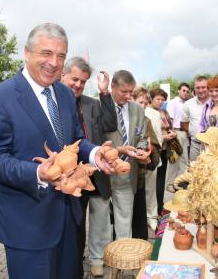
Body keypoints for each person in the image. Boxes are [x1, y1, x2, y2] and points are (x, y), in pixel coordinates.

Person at [0, 23, 114, 279]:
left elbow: (74, 140)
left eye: (61, 56)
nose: (54, 62)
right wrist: (38, 172)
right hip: (27, 224)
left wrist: (96, 153)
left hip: (67, 218)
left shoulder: (64, 94)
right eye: (46, 53)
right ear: (26, 52)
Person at [61, 57, 116, 277]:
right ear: (62, 76)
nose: (78, 85)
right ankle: (74, 264)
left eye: (82, 82)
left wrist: (104, 93)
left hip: (94, 172)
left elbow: (110, 124)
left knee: (98, 220)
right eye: (74, 79)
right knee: (74, 223)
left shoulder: (92, 103)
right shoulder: (54, 103)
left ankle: (94, 261)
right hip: (69, 176)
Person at [103, 70, 150, 239]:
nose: (129, 96)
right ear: (112, 87)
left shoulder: (137, 110)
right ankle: (99, 259)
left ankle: (123, 259)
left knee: (124, 221)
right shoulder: (100, 107)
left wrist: (142, 151)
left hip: (127, 173)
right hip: (104, 172)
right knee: (101, 223)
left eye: (131, 92)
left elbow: (142, 137)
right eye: (124, 92)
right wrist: (116, 151)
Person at [132, 87, 161, 236]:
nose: (143, 106)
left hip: (140, 172)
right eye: (140, 102)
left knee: (139, 207)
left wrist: (150, 154)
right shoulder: (121, 117)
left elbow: (154, 143)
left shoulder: (146, 119)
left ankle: (140, 245)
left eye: (145, 102)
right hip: (123, 172)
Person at [165, 82, 190, 193]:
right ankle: (170, 184)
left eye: (187, 91)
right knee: (174, 160)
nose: (185, 93)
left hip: (185, 133)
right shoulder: (173, 102)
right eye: (183, 90)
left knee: (184, 159)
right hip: (176, 132)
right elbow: (169, 119)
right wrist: (171, 134)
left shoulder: (188, 103)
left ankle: (180, 184)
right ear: (178, 90)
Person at [181, 76, 210, 162]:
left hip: (214, 147)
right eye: (198, 88)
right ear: (194, 89)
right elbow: (183, 123)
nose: (201, 90)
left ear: (208, 87)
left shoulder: (216, 102)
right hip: (195, 146)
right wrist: (193, 133)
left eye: (203, 87)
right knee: (195, 173)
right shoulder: (188, 104)